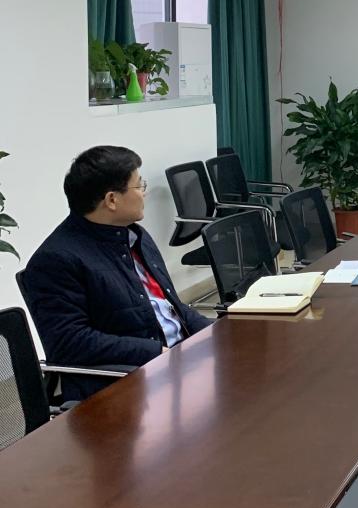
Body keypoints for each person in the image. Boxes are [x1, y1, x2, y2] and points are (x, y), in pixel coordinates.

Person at [22, 146, 214, 401]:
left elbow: (170, 306)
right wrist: (156, 352)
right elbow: (69, 343)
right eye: (139, 185)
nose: (144, 193)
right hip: (129, 387)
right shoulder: (55, 260)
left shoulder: (134, 236)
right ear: (112, 200)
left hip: (178, 363)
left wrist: (216, 333)